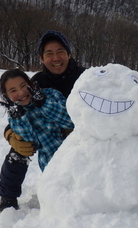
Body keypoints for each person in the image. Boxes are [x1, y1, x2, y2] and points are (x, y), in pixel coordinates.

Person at [0, 30, 85, 211]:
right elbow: (24, 111)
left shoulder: (85, 78)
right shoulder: (36, 83)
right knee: (19, 147)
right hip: (49, 140)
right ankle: (8, 196)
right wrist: (10, 135)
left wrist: (78, 130)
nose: (56, 58)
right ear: (41, 58)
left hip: (85, 135)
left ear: (69, 54)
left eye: (60, 51)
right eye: (49, 53)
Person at [0, 69, 74, 209]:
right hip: (50, 162)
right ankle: (8, 196)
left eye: (23, 86)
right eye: (13, 90)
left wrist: (44, 103)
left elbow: (69, 121)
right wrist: (19, 118)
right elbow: (30, 141)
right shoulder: (16, 114)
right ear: (7, 96)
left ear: (31, 84)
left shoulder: (51, 94)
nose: (21, 92)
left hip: (72, 151)